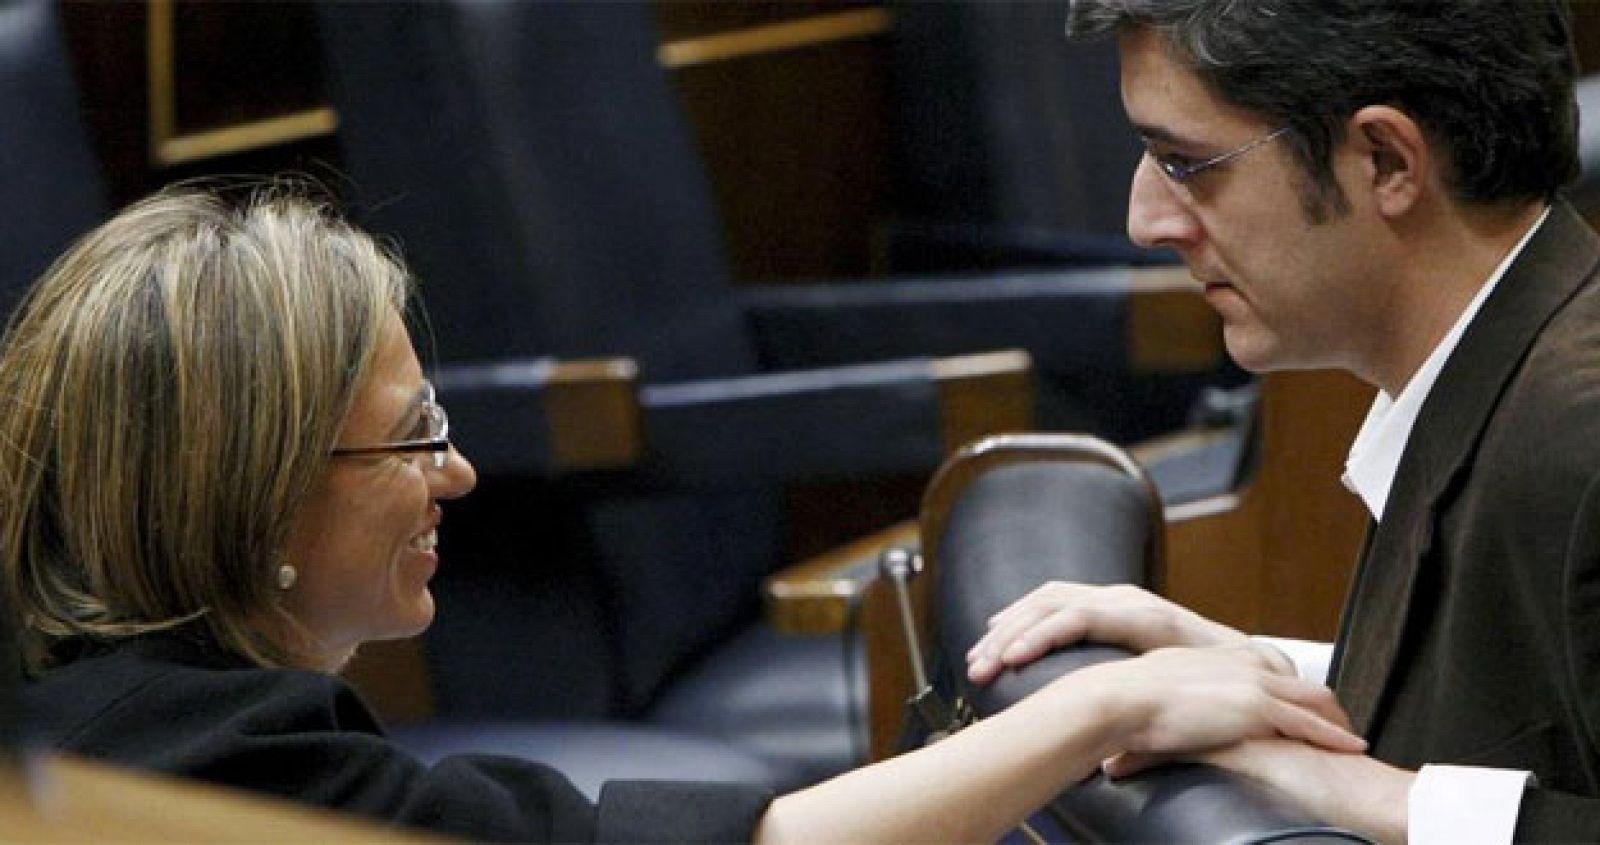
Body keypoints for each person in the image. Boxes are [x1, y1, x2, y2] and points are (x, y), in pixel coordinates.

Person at [1, 184, 1362, 843]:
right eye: (417, 435)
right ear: (262, 488)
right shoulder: (204, 771)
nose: (457, 473)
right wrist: (1109, 709)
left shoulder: (126, 699)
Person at [965, 0, 1600, 842]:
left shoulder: (1579, 442)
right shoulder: (1508, 369)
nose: (1145, 221)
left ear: (1384, 160)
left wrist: (1341, 783)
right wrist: (1258, 672)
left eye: (1185, 163)